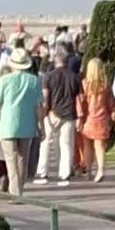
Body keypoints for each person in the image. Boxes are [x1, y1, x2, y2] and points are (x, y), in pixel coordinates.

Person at [0, 44, 42, 195]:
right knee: (22, 160)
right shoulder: (34, 81)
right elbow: (39, 106)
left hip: (8, 125)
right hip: (27, 125)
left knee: (11, 160)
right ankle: (19, 189)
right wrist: (41, 125)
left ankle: (15, 192)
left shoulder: (4, 81)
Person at [38, 47, 82, 186]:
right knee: (66, 144)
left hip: (52, 112)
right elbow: (79, 97)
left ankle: (43, 172)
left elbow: (45, 96)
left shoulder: (49, 76)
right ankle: (65, 173)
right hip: (69, 113)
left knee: (46, 142)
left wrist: (45, 112)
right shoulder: (74, 77)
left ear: (55, 61)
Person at [79, 57, 115, 184]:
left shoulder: (85, 84)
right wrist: (113, 111)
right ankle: (101, 169)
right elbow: (111, 101)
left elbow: (82, 102)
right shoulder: (105, 84)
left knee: (87, 145)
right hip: (101, 118)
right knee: (99, 146)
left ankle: (88, 169)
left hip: (88, 118)